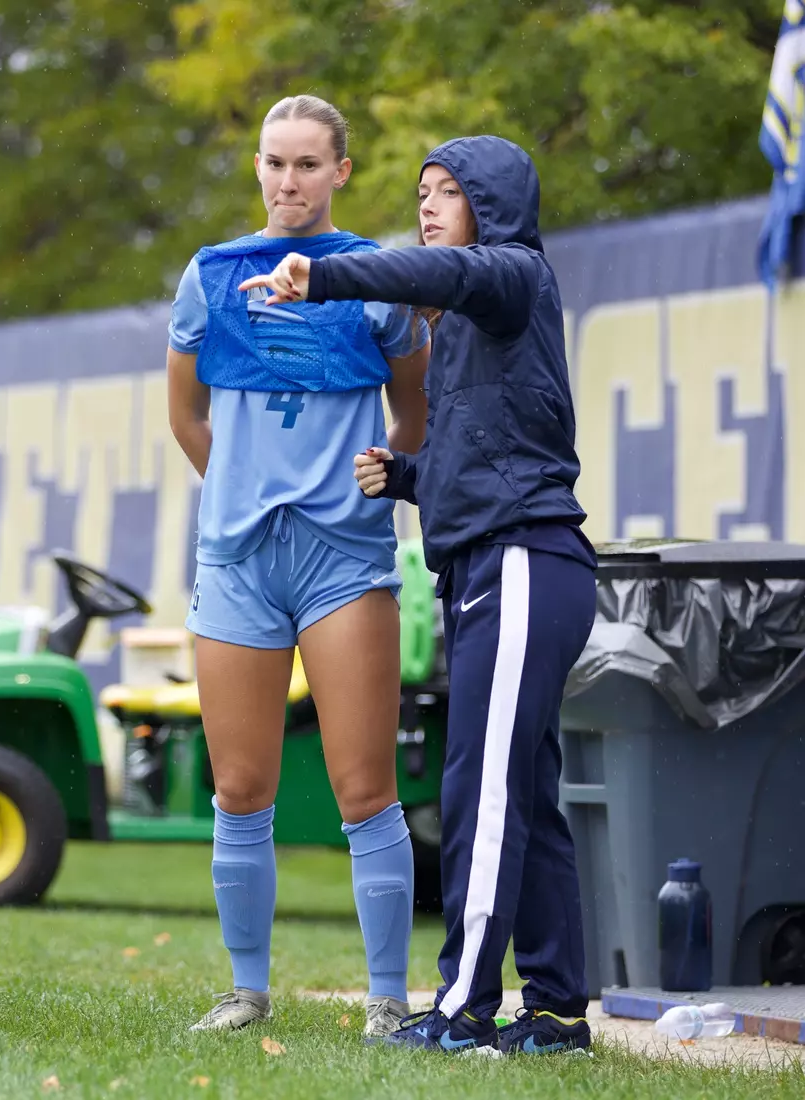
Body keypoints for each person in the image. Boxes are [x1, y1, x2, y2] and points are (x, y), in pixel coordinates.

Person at [239, 134, 598, 1056]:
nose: (429, 206)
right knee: (526, 794)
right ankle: (555, 1013)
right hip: (495, 562)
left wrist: (319, 277)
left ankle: (462, 1009)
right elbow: (489, 449)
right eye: (422, 192)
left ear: (494, 205)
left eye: (449, 192)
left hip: (522, 562)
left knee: (479, 791)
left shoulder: (510, 274)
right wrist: (408, 475)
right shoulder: (470, 326)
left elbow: (423, 273)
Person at [167, 94, 430, 1038]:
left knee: (365, 792)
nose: (289, 181)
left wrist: (381, 478)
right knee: (239, 791)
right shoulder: (210, 276)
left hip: (345, 559)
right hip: (235, 557)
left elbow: (416, 415)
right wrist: (243, 489)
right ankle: (246, 991)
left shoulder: (378, 280)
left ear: (341, 173)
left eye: (308, 164)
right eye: (274, 163)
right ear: (258, 169)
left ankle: (389, 1002)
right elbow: (187, 417)